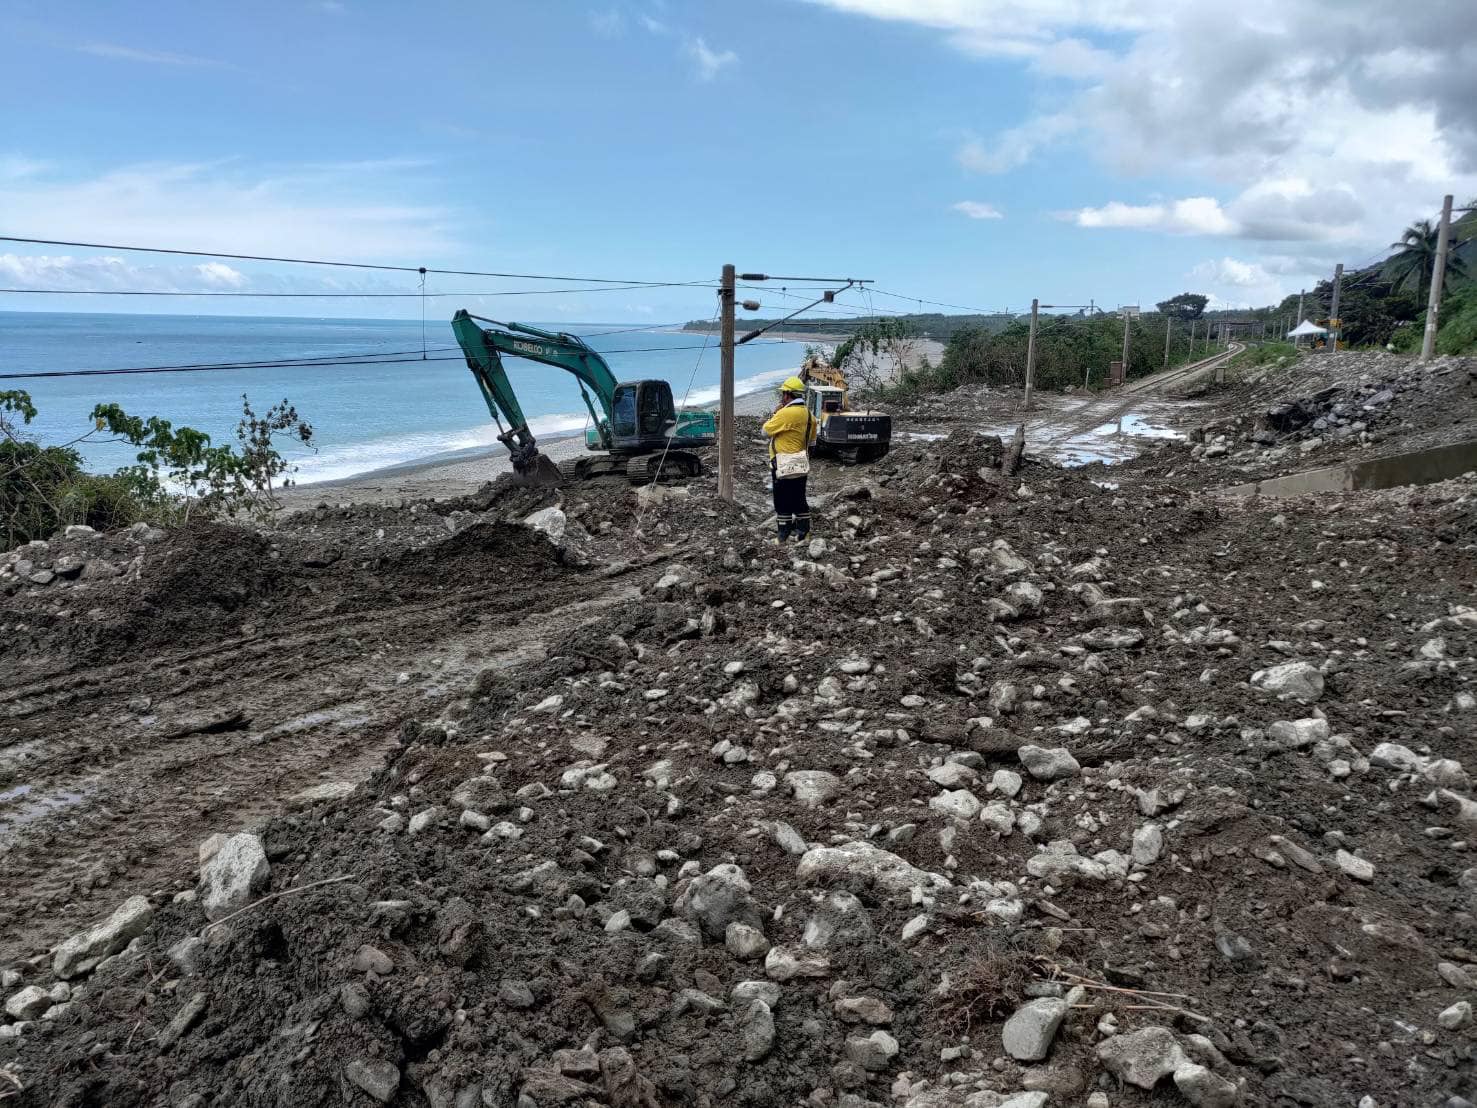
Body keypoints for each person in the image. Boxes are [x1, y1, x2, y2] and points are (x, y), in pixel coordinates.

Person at [762, 376, 817, 541]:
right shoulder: (809, 416)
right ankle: (804, 532)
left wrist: (776, 413)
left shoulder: (785, 413)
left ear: (787, 395)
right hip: (801, 463)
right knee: (799, 497)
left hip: (783, 463)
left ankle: (783, 534)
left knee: (781, 499)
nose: (782, 397)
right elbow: (812, 442)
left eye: (783, 394)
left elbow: (765, 431)